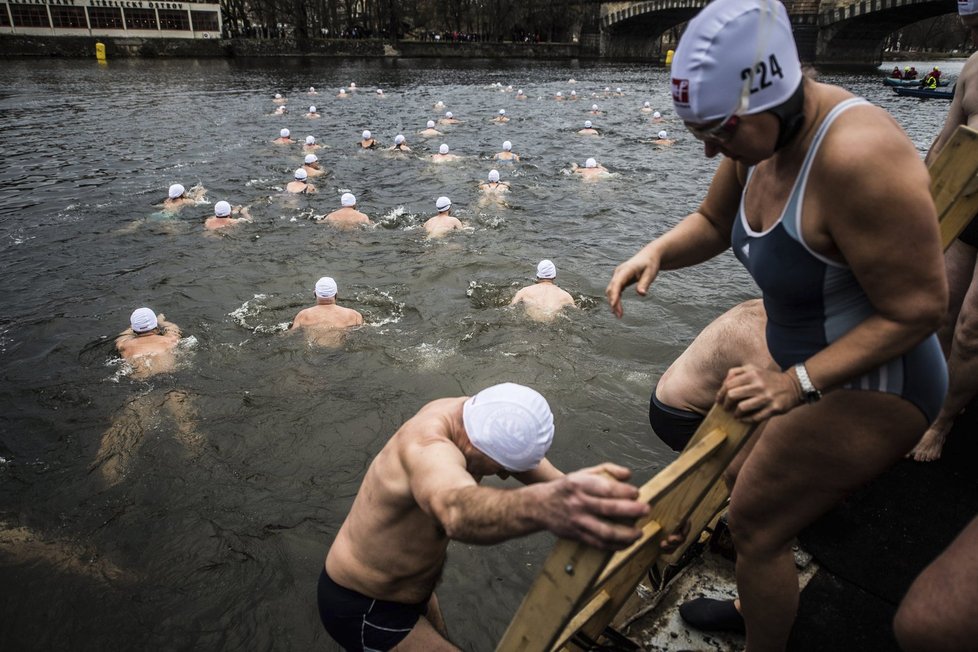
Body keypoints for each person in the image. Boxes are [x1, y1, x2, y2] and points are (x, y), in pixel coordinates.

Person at [604, 2, 947, 648]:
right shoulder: (758, 138)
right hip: (813, 368)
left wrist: (796, 385)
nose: (708, 147)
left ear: (776, 97)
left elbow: (920, 308)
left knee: (754, 522)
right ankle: (759, 602)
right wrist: (656, 252)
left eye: (718, 131)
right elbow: (711, 223)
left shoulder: (858, 158)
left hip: (881, 382)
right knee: (744, 483)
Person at [318, 382, 652, 651]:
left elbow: (561, 486)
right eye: (501, 468)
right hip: (364, 606)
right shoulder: (427, 448)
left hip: (412, 594)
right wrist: (542, 506)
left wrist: (643, 529)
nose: (505, 477)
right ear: (481, 446)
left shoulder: (478, 416)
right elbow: (456, 510)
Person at [908, 1, 978, 463]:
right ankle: (921, 403)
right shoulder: (973, 67)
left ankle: (942, 420)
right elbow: (946, 139)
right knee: (940, 311)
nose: (971, 35)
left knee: (973, 329)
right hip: (968, 205)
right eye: (969, 28)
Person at [290, 276, 364, 346]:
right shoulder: (354, 315)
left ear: (315, 293)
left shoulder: (303, 315)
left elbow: (291, 335)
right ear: (336, 294)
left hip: (314, 354)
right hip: (341, 355)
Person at [115, 308, 183, 379]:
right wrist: (161, 321)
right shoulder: (171, 340)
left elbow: (124, 335)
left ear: (133, 328)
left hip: (139, 381)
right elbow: (173, 328)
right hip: (169, 377)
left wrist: (134, 327)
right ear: (155, 325)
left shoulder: (123, 345)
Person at [510, 260, 576, 322]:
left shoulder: (524, 291)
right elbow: (575, 313)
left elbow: (511, 307)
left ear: (537, 275)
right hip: (551, 327)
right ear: (554, 276)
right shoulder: (566, 296)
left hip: (529, 325)